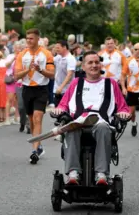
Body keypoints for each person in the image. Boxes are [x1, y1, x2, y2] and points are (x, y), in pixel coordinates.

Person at [52, 50, 130, 185]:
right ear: (83, 67)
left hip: (102, 123)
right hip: (78, 123)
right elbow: (63, 105)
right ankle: (73, 173)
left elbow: (123, 107)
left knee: (102, 127)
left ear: (101, 65)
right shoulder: (76, 83)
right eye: (90, 63)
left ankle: (101, 174)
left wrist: (124, 113)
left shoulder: (110, 84)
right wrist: (58, 110)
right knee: (71, 127)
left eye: (96, 62)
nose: (94, 65)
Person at [15, 28, 55, 164]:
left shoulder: (46, 54)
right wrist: (28, 69)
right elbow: (16, 75)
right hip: (27, 89)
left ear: (38, 39)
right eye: (27, 38)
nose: (29, 41)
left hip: (41, 89)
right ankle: (38, 145)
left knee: (38, 118)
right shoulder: (22, 54)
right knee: (31, 120)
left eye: (31, 38)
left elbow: (52, 74)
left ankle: (34, 151)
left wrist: (40, 70)